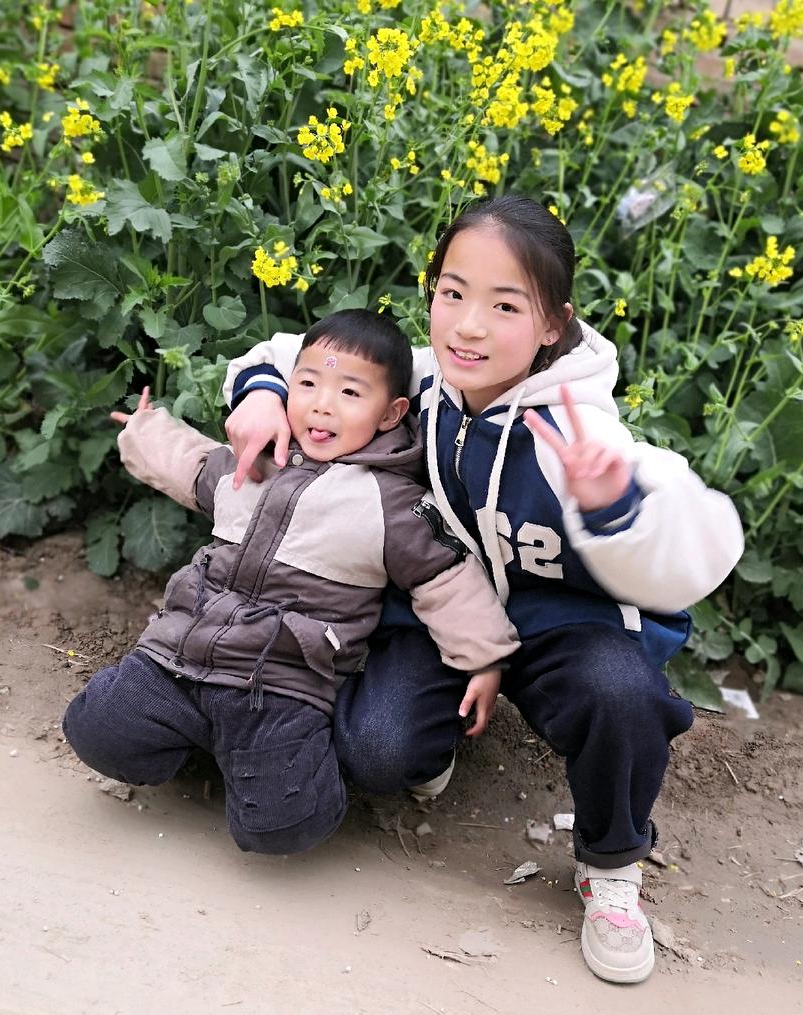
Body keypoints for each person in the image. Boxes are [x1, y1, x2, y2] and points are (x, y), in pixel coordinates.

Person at [221, 196, 744, 983]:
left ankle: (611, 862)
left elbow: (702, 539)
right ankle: (443, 739)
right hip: (448, 616)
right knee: (377, 752)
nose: (467, 325)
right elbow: (291, 351)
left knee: (619, 693)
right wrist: (261, 393)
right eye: (452, 293)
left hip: (565, 627)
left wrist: (616, 510)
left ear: (552, 325)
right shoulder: (420, 384)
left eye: (505, 306)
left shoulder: (579, 427)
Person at [62, 309, 518, 857]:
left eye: (350, 393)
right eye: (307, 384)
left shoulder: (391, 504)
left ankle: (275, 763)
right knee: (93, 728)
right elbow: (191, 464)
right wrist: (143, 430)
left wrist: (485, 659)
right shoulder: (258, 458)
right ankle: (204, 746)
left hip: (278, 685)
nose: (322, 404)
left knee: (282, 826)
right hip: (178, 657)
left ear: (391, 413)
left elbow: (448, 579)